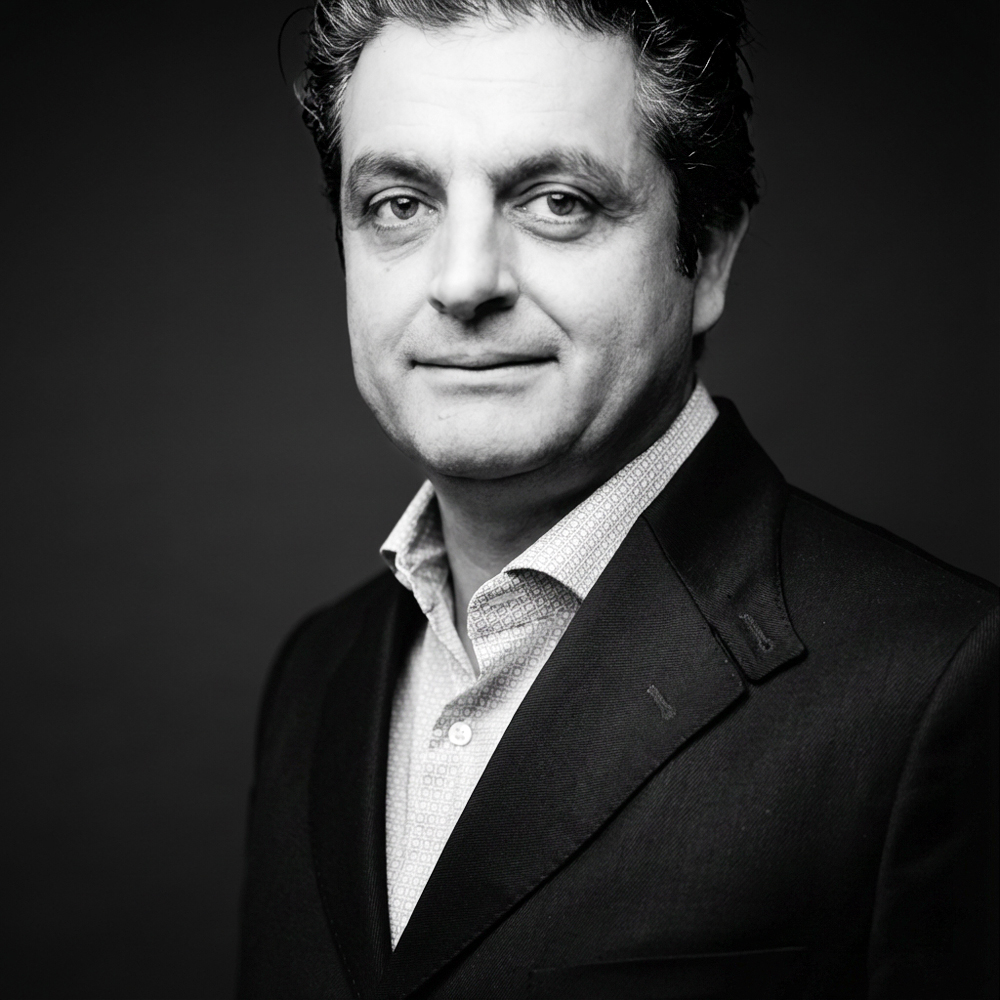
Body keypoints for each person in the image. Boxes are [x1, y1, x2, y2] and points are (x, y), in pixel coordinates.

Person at [237, 2, 998, 997]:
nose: (462, 282)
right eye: (398, 204)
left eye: (557, 201)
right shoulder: (315, 673)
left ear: (707, 253)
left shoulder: (940, 683)